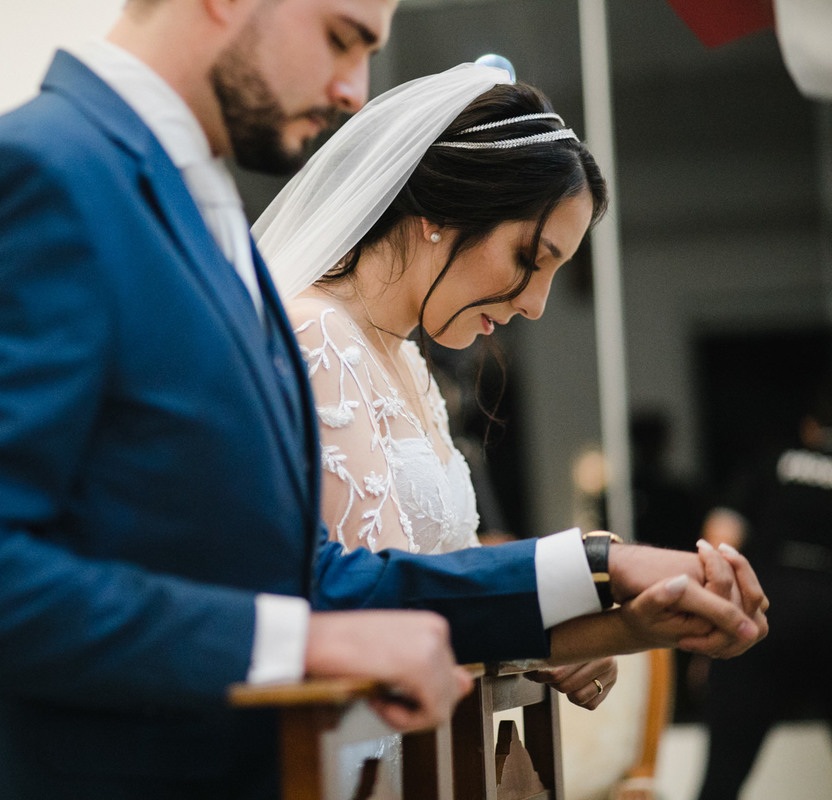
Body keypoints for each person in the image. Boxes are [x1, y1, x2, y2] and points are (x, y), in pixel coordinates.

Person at [0, 2, 766, 798]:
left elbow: (314, 574)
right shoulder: (33, 174)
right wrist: (301, 650)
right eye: (339, 36)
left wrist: (597, 569)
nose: (354, 93)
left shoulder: (213, 227)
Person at [255, 66, 711, 799]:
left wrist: (611, 629)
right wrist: (590, 572)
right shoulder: (314, 338)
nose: (536, 303)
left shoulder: (406, 366)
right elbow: (351, 599)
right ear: (439, 210)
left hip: (433, 752)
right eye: (530, 259)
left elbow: (450, 595)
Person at [695, 384, 832, 799]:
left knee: (723, 777)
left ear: (809, 428)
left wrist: (709, 629)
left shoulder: (771, 460)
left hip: (765, 613)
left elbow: (721, 538)